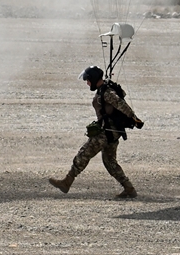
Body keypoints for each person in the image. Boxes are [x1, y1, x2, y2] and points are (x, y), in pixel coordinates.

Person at [49, 65, 144, 198]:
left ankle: (67, 182)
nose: (87, 83)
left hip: (106, 133)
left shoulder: (107, 92)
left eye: (88, 80)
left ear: (93, 78)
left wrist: (134, 119)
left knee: (83, 154)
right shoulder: (102, 90)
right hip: (112, 132)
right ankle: (129, 188)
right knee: (110, 162)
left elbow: (121, 104)